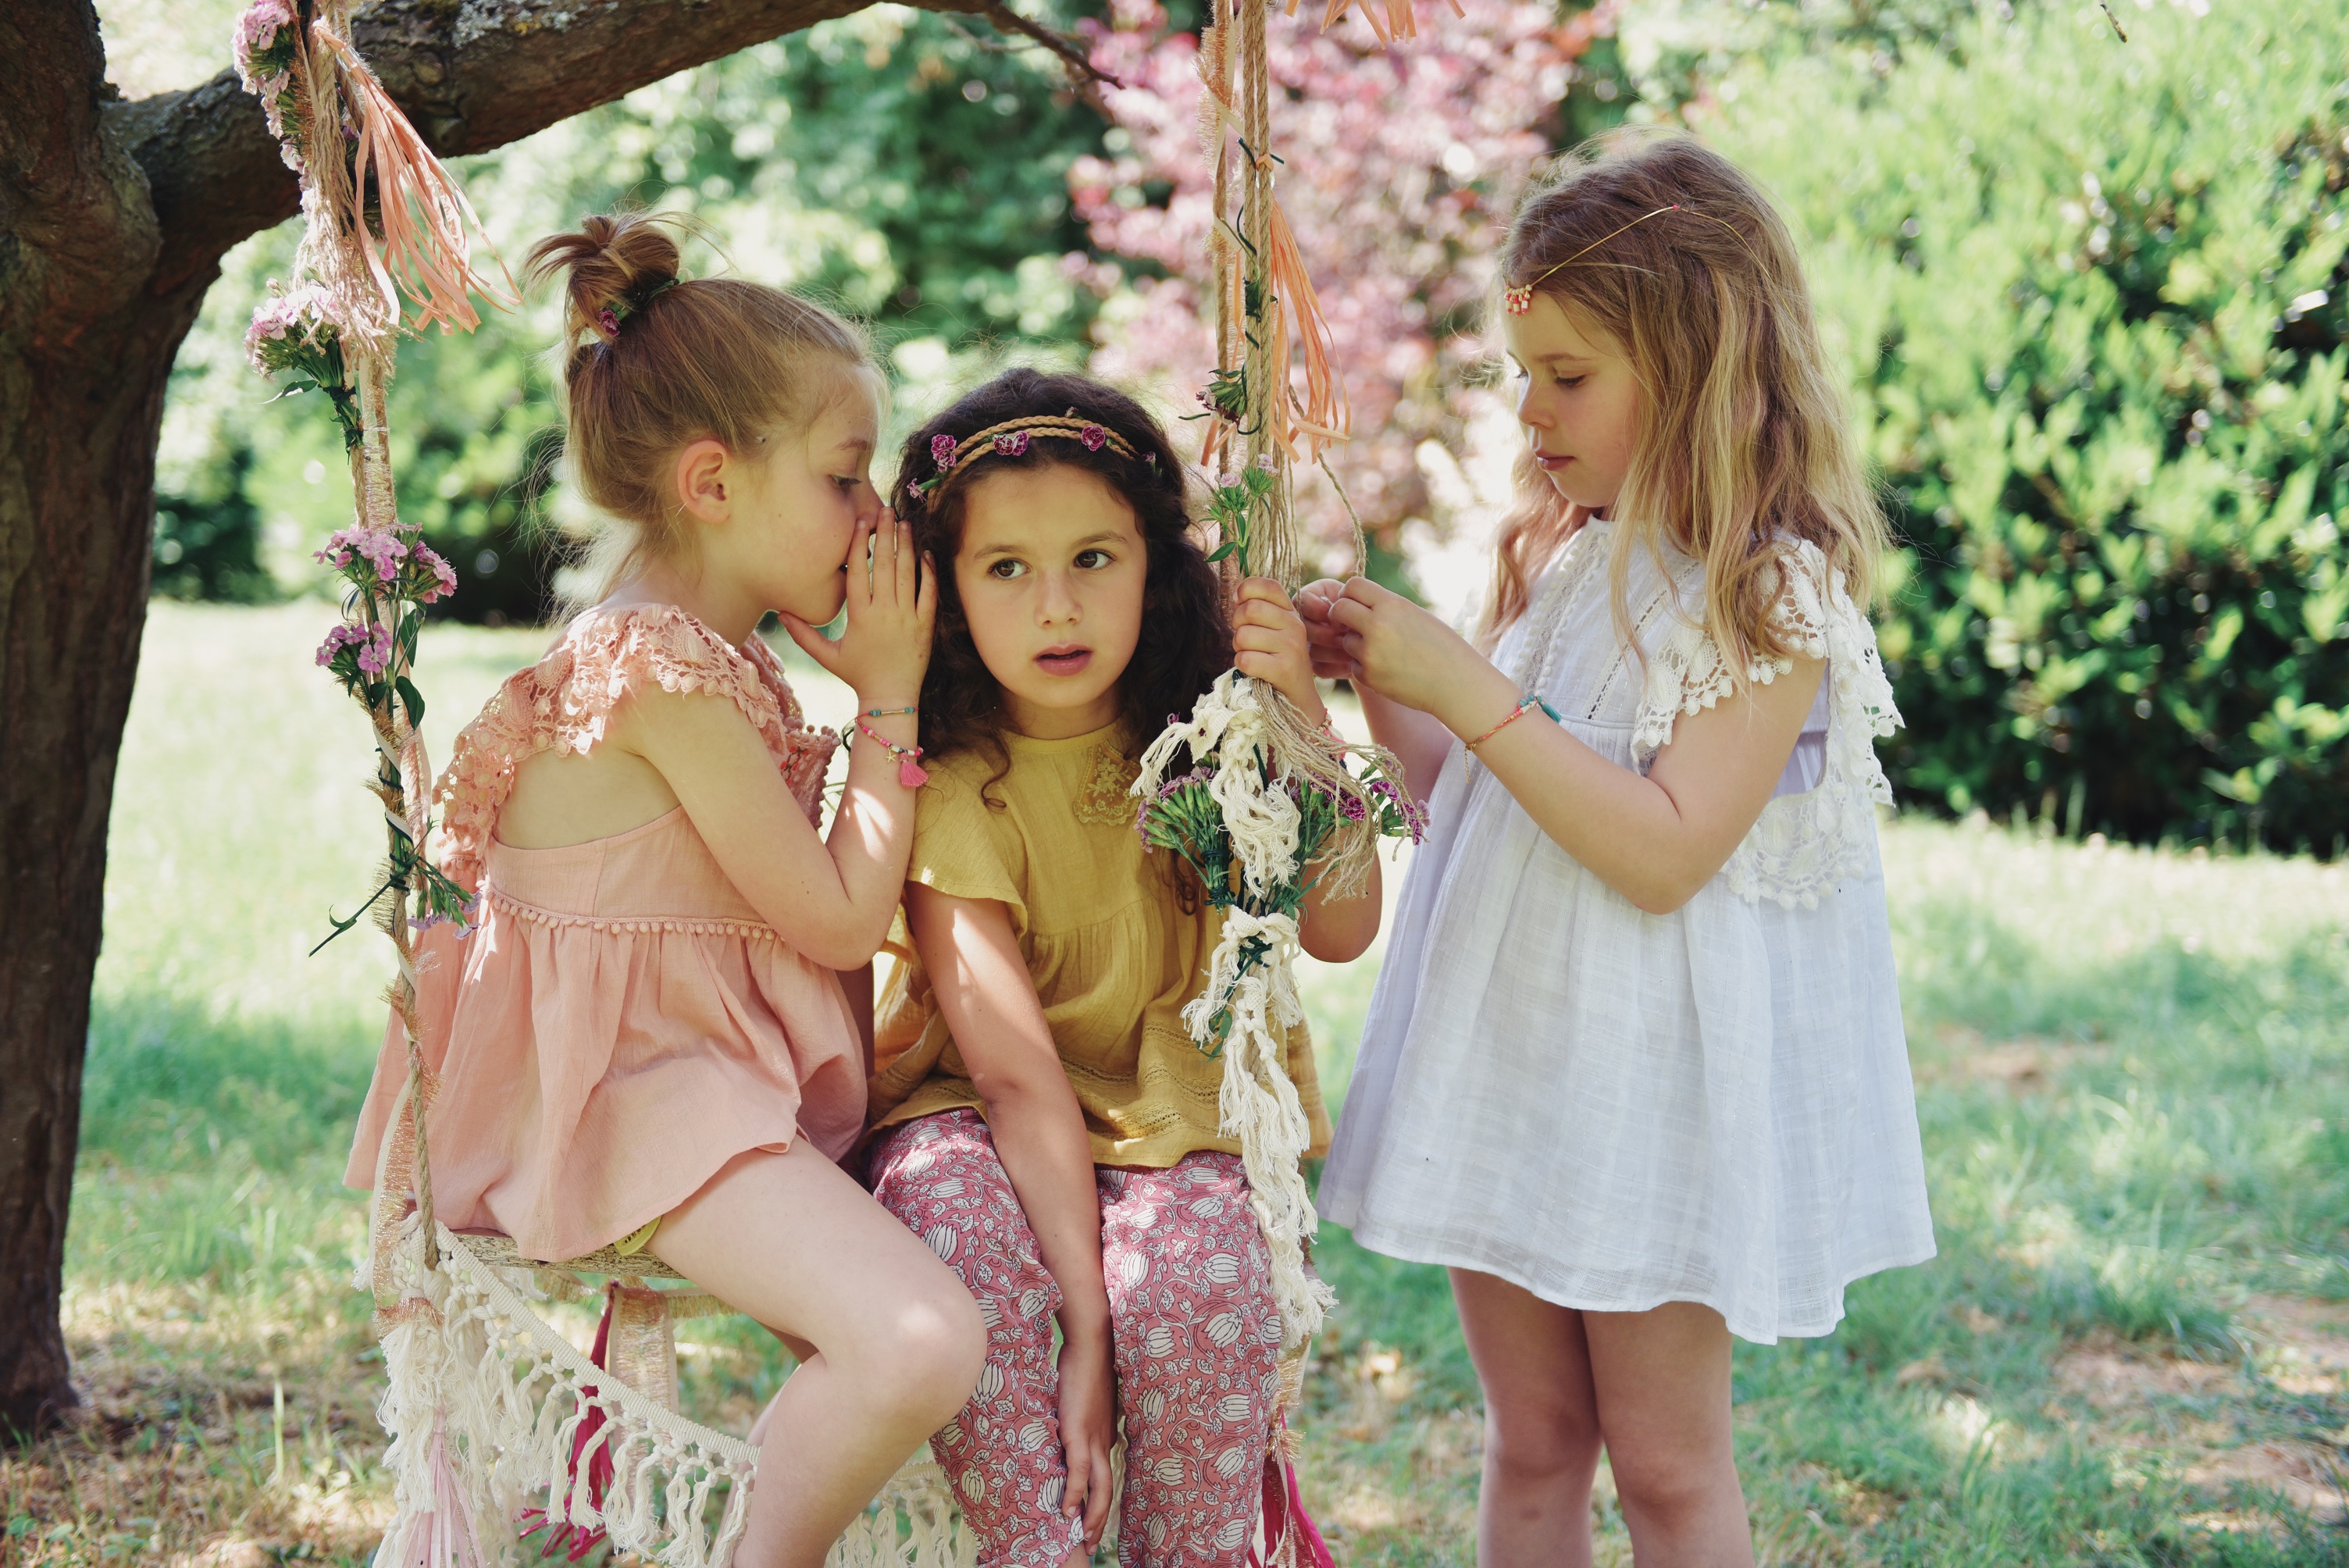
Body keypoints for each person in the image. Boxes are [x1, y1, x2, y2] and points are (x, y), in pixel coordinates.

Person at [1302, 134, 1935, 1567]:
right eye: (1523, 374)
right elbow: (1470, 794)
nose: (1531, 411)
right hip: (1517, 1060)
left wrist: (1468, 683)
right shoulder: (1580, 560)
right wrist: (1383, 676)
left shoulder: (1770, 596)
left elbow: (1663, 850)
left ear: (1697, 364)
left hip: (1657, 1093)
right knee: (1533, 1442)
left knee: (1662, 1467)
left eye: (1568, 376)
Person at [344, 212, 983, 1568]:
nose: (876, 519)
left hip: (687, 1085)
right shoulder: (659, 672)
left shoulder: (693, 649)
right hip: (621, 1099)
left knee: (952, 1308)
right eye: (844, 475)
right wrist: (887, 696)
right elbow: (835, 918)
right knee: (919, 1341)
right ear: (712, 483)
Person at [861, 368, 1381, 1568]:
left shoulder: (1212, 734)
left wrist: (1298, 702)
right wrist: (1083, 1333)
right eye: (1007, 569)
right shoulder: (950, 783)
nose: (1057, 607)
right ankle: (1033, 1547)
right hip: (986, 1119)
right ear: (947, 593)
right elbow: (1016, 1085)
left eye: (1094, 558)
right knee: (950, 1226)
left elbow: (1344, 925)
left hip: (1182, 1117)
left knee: (1196, 1285)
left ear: (1157, 564)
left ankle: (1193, 1550)